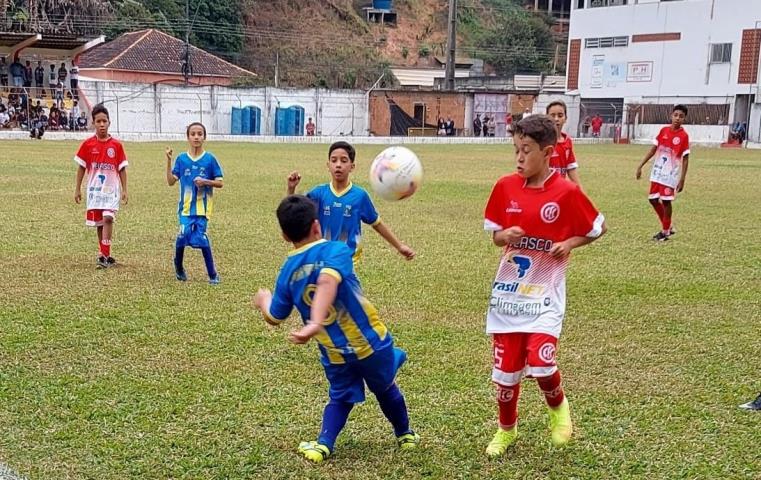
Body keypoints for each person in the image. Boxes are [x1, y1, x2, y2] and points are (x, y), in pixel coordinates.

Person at [252, 194, 419, 463]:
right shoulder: (336, 250)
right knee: (386, 387)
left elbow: (274, 317)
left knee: (340, 398)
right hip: (370, 343)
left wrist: (264, 301)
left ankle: (323, 445)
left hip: (334, 352)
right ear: (317, 226)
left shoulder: (286, 272)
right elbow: (328, 281)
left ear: (284, 235)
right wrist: (316, 321)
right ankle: (405, 435)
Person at [482, 114, 606, 457]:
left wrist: (569, 244)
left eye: (527, 150)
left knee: (542, 363)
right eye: (516, 150)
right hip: (508, 299)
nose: (519, 158)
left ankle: (560, 413)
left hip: (545, 295)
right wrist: (504, 235)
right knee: (505, 378)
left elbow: (597, 228)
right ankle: (506, 431)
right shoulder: (505, 187)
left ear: (548, 152)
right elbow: (495, 236)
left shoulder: (566, 192)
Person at [285, 141, 415, 262]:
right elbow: (294, 215)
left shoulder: (359, 196)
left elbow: (377, 223)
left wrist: (399, 246)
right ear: (328, 165)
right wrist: (291, 189)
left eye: (344, 160)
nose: (338, 165)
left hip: (348, 262)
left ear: (352, 166)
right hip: (322, 260)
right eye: (334, 160)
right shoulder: (318, 194)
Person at [165, 122, 223, 284]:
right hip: (185, 209)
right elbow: (171, 181)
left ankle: (212, 274)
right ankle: (179, 267)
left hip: (203, 210)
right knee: (182, 236)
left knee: (202, 239)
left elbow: (220, 182)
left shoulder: (210, 159)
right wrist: (169, 161)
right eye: (193, 134)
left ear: (204, 137)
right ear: (188, 137)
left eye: (200, 134)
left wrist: (205, 181)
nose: (196, 137)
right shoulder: (182, 159)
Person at [73, 104, 129, 268]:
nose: (102, 124)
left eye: (104, 121)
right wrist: (77, 189)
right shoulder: (88, 145)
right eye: (98, 121)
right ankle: (105, 253)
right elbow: (81, 167)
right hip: (95, 191)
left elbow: (122, 168)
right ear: (94, 123)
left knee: (108, 218)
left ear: (109, 123)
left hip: (111, 191)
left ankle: (103, 255)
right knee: (99, 223)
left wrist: (125, 189)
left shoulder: (116, 146)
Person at [635, 104, 690, 242]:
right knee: (653, 199)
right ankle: (669, 226)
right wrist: (640, 165)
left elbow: (685, 158)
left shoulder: (683, 136)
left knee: (666, 202)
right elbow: (653, 149)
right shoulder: (664, 131)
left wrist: (682, 179)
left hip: (670, 175)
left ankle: (665, 232)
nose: (677, 118)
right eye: (676, 115)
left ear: (684, 119)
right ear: (671, 116)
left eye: (681, 116)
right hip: (657, 172)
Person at [546, 100, 582, 187]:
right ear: (546, 118)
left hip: (560, 189)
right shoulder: (543, 141)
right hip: (545, 189)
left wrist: (580, 191)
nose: (556, 119)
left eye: (560, 115)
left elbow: (571, 168)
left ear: (565, 119)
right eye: (552, 115)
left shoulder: (567, 142)